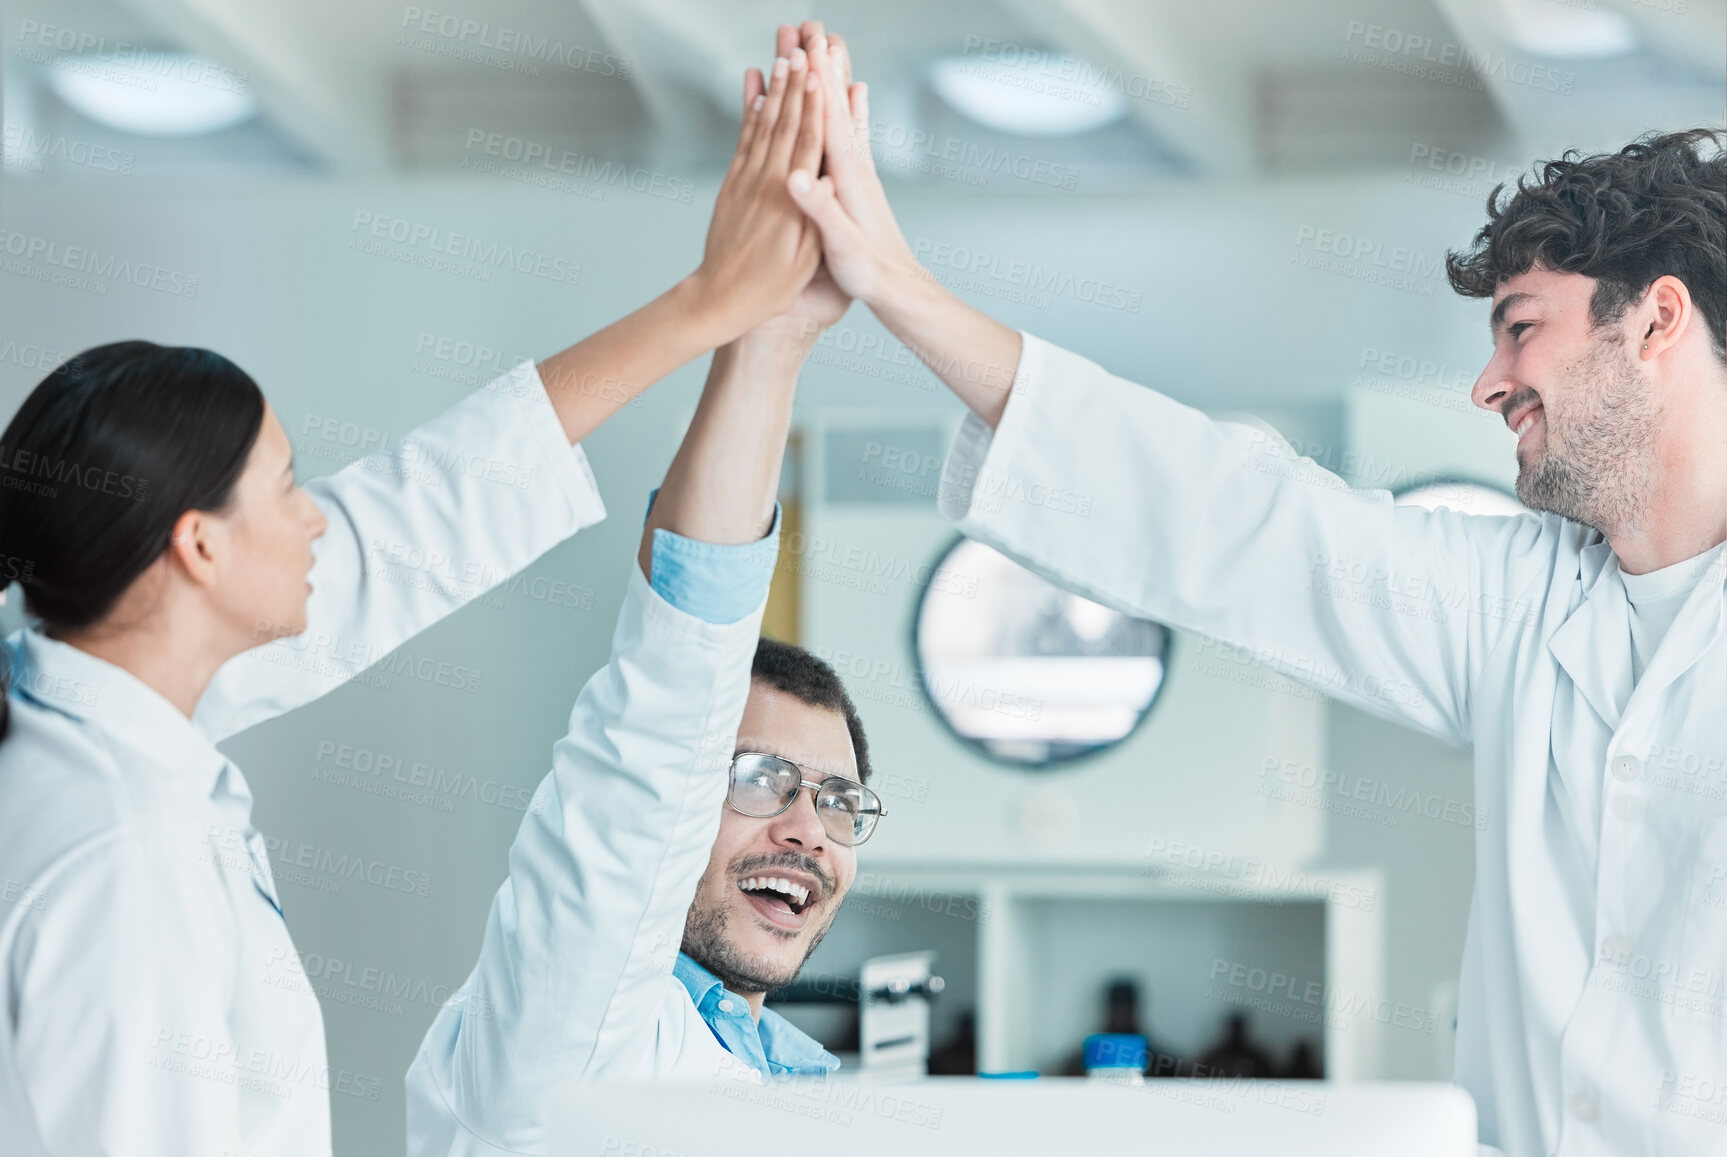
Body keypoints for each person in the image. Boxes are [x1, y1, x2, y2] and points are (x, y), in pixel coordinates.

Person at [782, 23, 1724, 1157]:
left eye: (1519, 330)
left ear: (1656, 320)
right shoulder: (1518, 602)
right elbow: (1234, 514)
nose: (1487, 383)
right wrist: (892, 283)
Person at [0, 34, 831, 1157]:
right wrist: (730, 319)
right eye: (288, 488)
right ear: (194, 547)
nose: (317, 520)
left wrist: (716, 310)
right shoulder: (116, 857)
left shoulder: (91, 684)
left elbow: (416, 511)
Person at [406, 28, 884, 1156]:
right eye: (761, 778)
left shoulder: (800, 1082)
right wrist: (762, 339)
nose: (807, 829)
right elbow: (673, 667)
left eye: (834, 799)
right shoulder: (573, 1026)